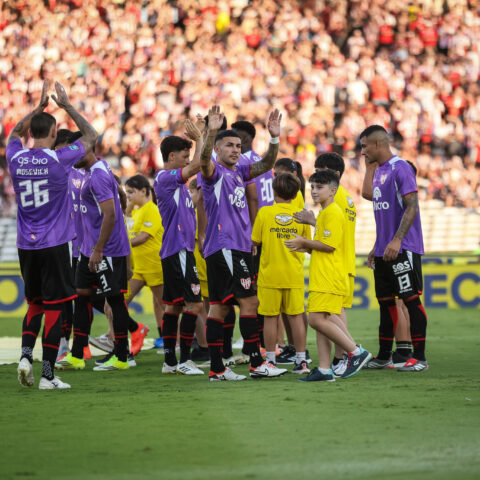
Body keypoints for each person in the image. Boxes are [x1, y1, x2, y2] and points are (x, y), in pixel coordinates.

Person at [7, 80, 97, 389]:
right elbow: (91, 136)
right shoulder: (59, 158)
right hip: (55, 243)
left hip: (25, 244)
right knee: (56, 306)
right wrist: (67, 105)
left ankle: (25, 356)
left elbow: (14, 133)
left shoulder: (16, 157)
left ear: (31, 131)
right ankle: (47, 374)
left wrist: (38, 107)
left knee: (34, 303)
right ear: (55, 133)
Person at [200, 108, 287, 381]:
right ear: (217, 149)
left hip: (234, 247)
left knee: (220, 307)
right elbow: (203, 160)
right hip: (225, 246)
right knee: (250, 302)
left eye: (238, 146)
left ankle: (217, 368)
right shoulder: (213, 172)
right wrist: (211, 132)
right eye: (229, 145)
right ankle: (256, 363)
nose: (235, 150)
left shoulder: (239, 171)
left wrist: (274, 139)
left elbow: (266, 164)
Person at [56, 99, 132, 372]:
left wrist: (101, 248)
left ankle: (121, 356)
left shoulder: (98, 174)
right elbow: (120, 195)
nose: (67, 157)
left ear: (84, 147)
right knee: (82, 297)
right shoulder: (86, 171)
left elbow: (110, 214)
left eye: (69, 152)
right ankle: (77, 354)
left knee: (114, 299)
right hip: (87, 249)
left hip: (105, 249)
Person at [285, 170, 372, 382]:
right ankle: (325, 370)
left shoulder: (332, 212)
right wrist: (306, 244)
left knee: (315, 319)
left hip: (328, 275)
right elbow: (325, 244)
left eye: (319, 187)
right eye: (312, 187)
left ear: (333, 190)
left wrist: (304, 242)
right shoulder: (326, 213)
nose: (314, 191)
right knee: (322, 321)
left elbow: (329, 246)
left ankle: (355, 352)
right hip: (324, 273)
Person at [153, 113, 219, 375]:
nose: (187, 160)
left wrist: (200, 135)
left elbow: (196, 167)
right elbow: (197, 166)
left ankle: (170, 362)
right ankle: (184, 360)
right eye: (184, 156)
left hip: (178, 249)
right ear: (171, 157)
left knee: (173, 306)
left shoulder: (177, 184)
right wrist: (201, 137)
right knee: (194, 305)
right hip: (178, 249)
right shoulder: (165, 178)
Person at [359, 125, 428, 372]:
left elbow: (412, 206)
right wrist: (377, 245)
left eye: (364, 146)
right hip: (383, 250)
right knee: (386, 303)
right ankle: (384, 356)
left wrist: (397, 239)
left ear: (378, 144)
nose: (362, 151)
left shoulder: (401, 168)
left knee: (411, 300)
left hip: (403, 247)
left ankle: (419, 358)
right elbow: (380, 207)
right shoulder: (379, 170)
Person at [294, 152, 358, 377]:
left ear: (334, 179)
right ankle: (328, 365)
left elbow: (330, 240)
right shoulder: (345, 199)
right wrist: (313, 225)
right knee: (329, 316)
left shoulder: (335, 202)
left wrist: (305, 241)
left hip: (333, 266)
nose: (314, 187)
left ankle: (348, 355)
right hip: (339, 263)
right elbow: (332, 232)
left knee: (329, 316)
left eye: (321, 177)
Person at [251, 173, 311, 374]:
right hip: (293, 274)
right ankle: (301, 361)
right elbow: (307, 245)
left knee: (270, 318)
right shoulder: (302, 215)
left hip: (269, 275)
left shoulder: (265, 213)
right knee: (296, 317)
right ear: (295, 195)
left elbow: (255, 241)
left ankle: (270, 360)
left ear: (274, 192)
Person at [361, 152, 414, 367]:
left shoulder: (400, 183)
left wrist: (369, 166)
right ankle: (392, 353)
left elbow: (368, 194)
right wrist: (377, 245)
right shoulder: (389, 191)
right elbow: (369, 195)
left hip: (401, 249)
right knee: (392, 302)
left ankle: (404, 352)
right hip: (387, 248)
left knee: (400, 301)